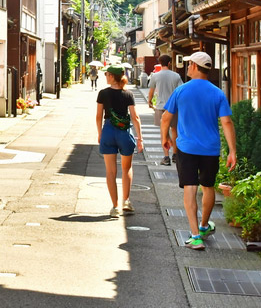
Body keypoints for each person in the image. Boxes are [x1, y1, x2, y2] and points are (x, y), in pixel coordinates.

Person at [161, 51, 236, 251]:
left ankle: (195, 236)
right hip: (210, 148)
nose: (187, 67)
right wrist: (232, 151)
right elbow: (227, 122)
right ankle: (204, 226)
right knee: (208, 186)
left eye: (189, 64)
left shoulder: (181, 91)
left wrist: (165, 139)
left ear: (194, 66)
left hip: (186, 147)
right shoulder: (218, 93)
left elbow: (165, 118)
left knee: (190, 188)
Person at [96, 65, 143, 217]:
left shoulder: (103, 93)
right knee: (127, 168)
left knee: (110, 171)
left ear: (111, 76)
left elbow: (98, 116)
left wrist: (100, 133)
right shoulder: (128, 94)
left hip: (108, 131)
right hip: (124, 131)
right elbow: (135, 117)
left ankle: (115, 207)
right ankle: (126, 201)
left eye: (107, 74)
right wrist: (140, 138)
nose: (106, 77)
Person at [147, 55, 183, 166]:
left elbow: (151, 90)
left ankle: (166, 157)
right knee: (174, 131)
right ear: (169, 63)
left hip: (160, 107)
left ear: (160, 63)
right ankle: (175, 155)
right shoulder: (176, 76)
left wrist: (149, 101)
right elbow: (180, 91)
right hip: (174, 108)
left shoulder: (155, 76)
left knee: (164, 133)